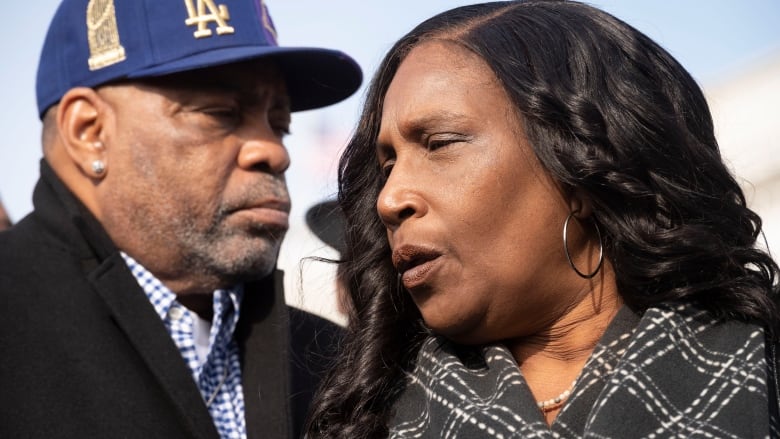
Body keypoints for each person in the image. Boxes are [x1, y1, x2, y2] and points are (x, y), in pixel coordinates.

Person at [305, 1, 780, 437]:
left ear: (583, 168)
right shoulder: (361, 420)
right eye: (386, 167)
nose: (389, 200)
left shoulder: (764, 368)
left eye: (440, 143)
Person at [0, 0, 361, 438]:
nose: (273, 151)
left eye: (278, 124)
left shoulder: (334, 365)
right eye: (220, 114)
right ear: (89, 132)